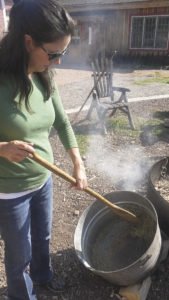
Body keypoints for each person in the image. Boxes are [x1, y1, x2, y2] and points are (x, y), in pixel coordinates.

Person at [0, 0, 87, 299]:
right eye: (54, 54)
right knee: (18, 253)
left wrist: (78, 161)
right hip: (10, 191)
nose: (59, 61)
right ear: (27, 42)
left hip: (44, 180)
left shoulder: (43, 73)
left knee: (43, 236)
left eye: (63, 53)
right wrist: (2, 148)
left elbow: (62, 122)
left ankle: (43, 275)